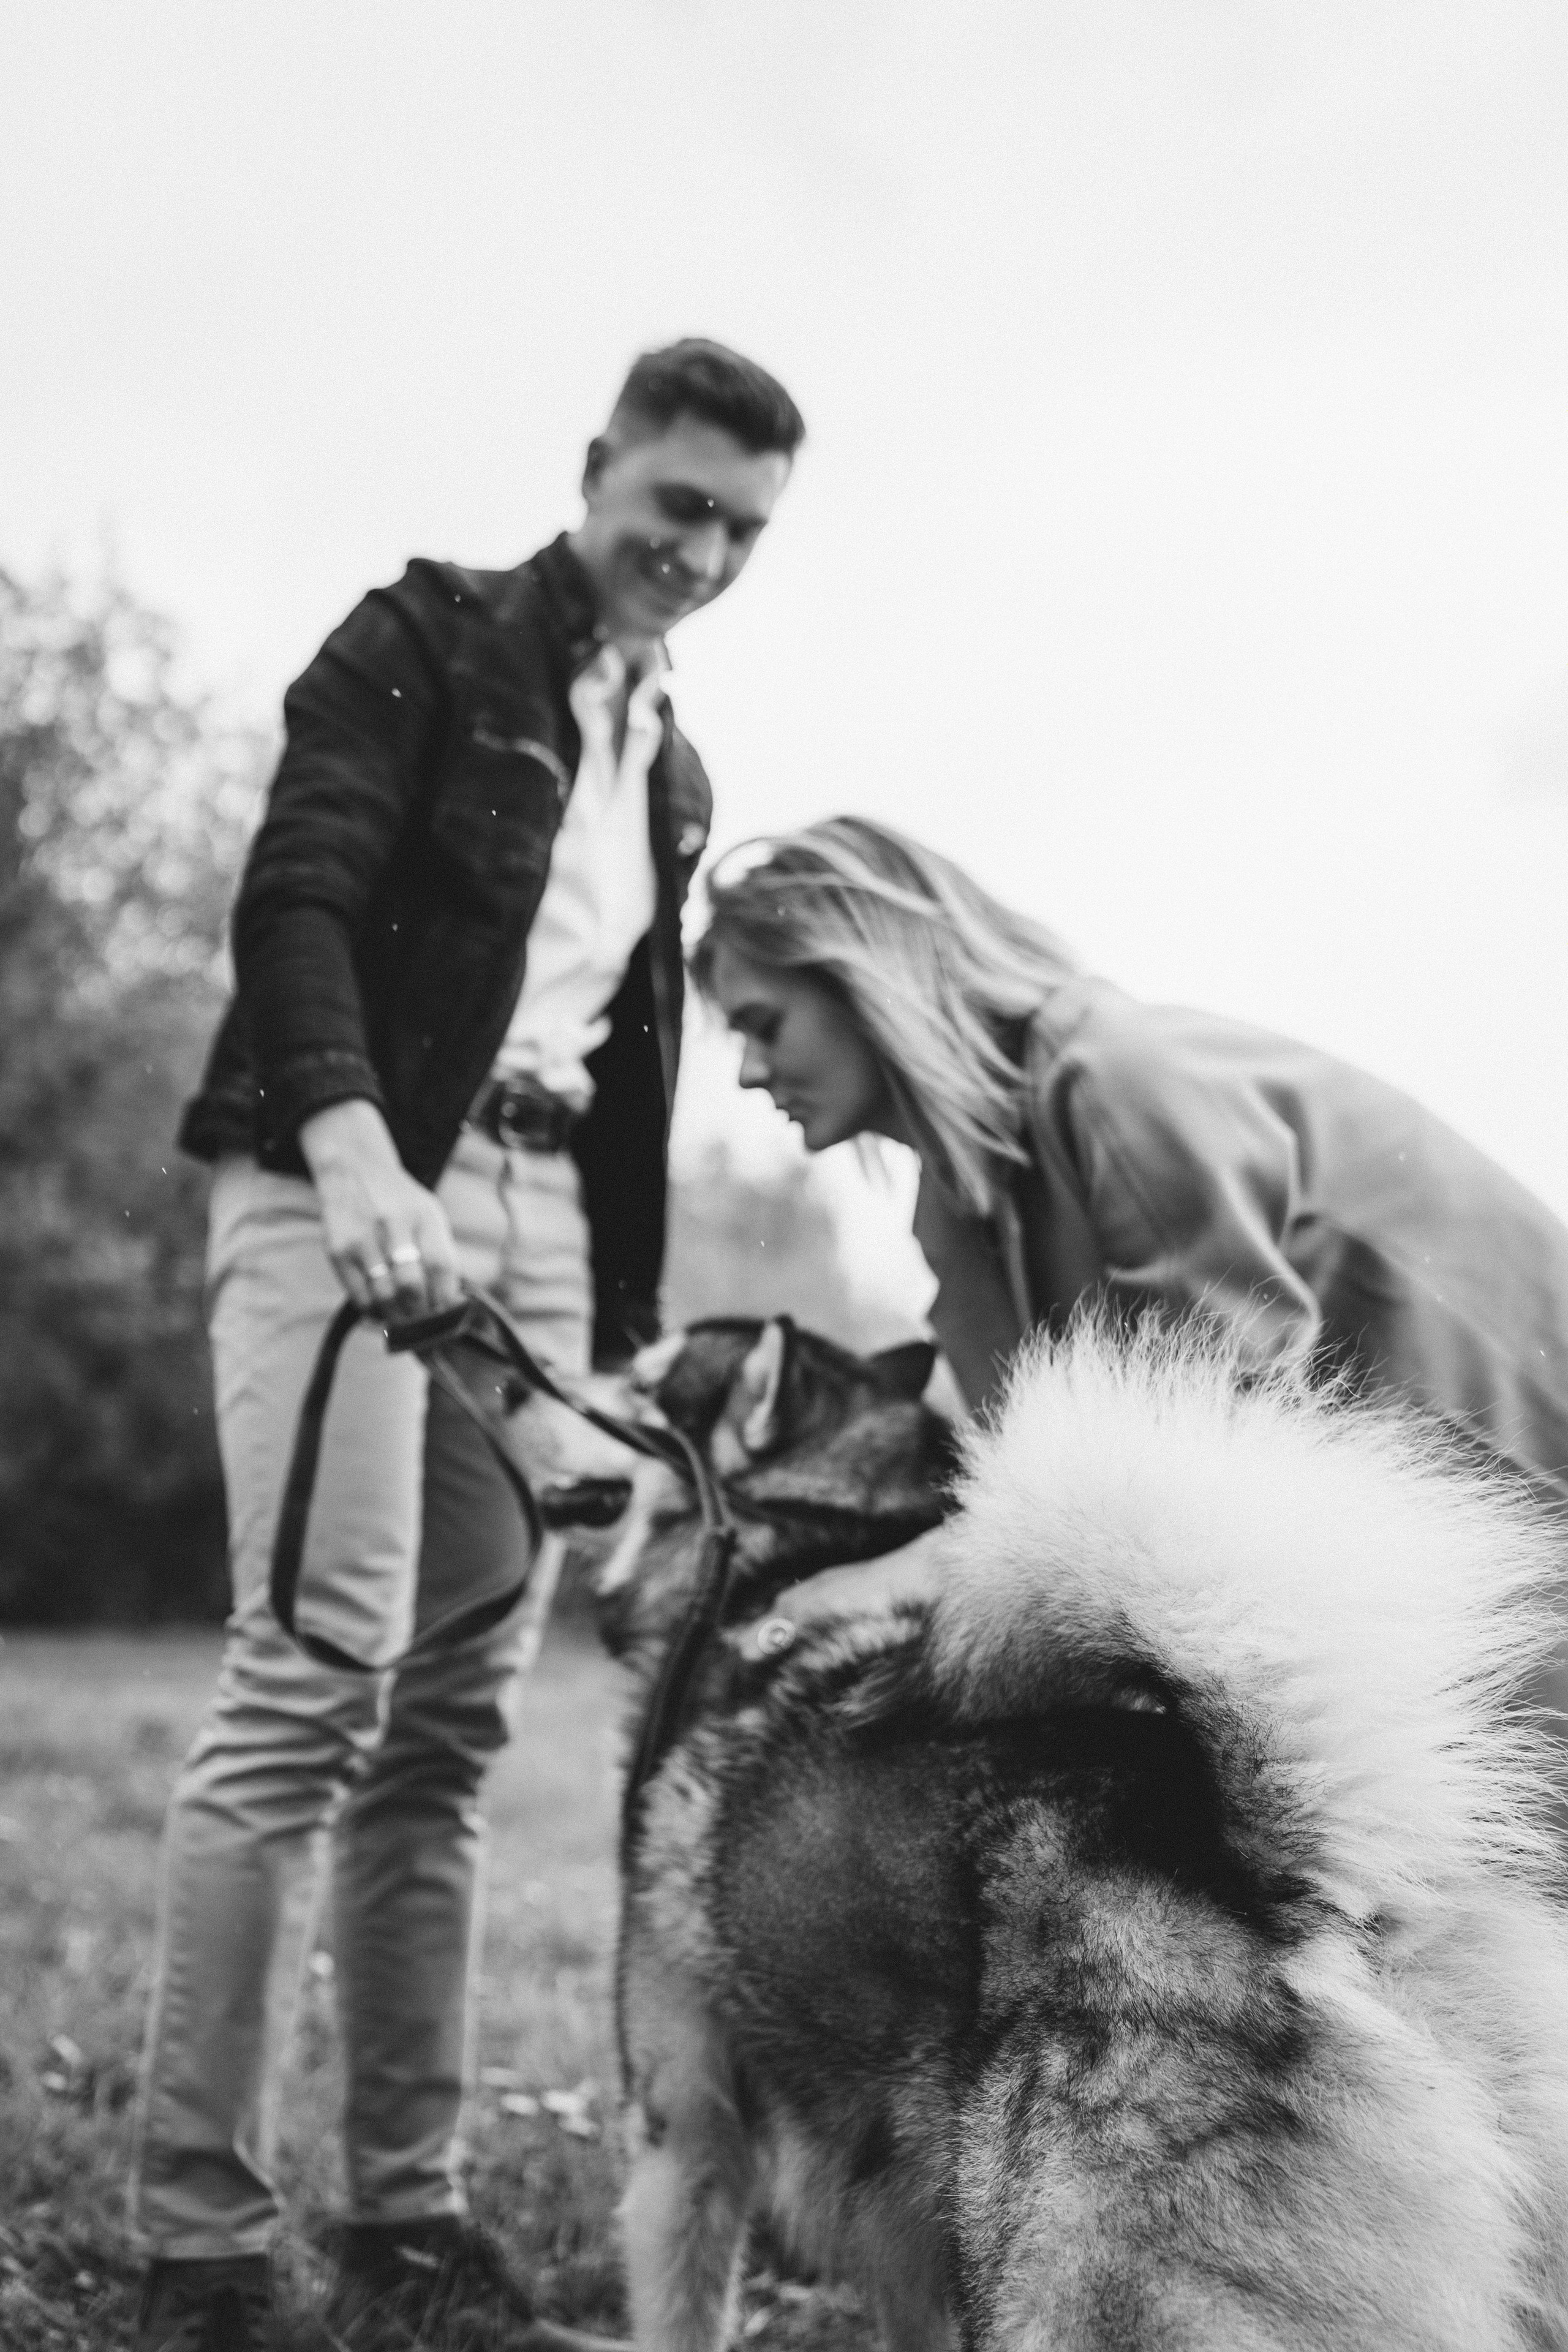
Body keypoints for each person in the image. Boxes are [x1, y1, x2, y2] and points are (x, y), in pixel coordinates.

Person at [131, 339, 803, 2352]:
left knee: (449, 1725)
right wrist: (347, 1149)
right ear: (599, 466)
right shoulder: (422, 642)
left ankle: (401, 2216)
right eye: (675, 504)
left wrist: (608, 1333)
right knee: (311, 1684)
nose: (698, 552)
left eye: (744, 531)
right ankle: (198, 2239)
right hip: (336, 1174)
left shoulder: (673, 768)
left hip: (523, 1234)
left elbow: (623, 1064)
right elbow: (302, 888)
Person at [692, 815, 1568, 1725]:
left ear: (867, 980)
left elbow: (1211, 1466)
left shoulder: (1116, 1076)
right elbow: (1025, 1502)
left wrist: (888, 1586)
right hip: (1437, 1576)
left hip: (1522, 1521)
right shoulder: (960, 1217)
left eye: (764, 1024)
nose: (751, 1073)